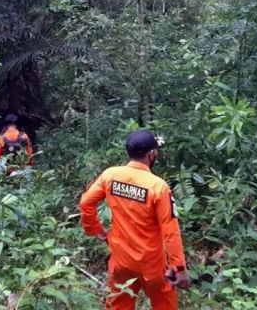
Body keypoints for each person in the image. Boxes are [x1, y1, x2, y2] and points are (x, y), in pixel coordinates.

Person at [79, 129, 190, 310]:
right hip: (154, 266)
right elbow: (171, 231)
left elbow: (85, 202)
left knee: (118, 305)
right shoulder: (158, 187)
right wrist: (179, 269)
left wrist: (95, 229)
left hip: (121, 262)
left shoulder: (110, 175)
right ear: (151, 154)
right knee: (165, 305)